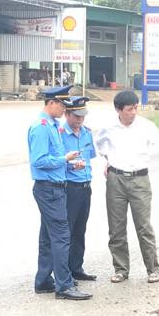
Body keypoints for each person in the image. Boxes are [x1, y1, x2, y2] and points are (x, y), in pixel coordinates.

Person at [96, 89, 159, 284]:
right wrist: (107, 160)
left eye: (135, 108)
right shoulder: (109, 127)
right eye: (130, 109)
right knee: (116, 228)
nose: (133, 112)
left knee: (143, 226)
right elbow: (98, 145)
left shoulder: (146, 126)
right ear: (118, 109)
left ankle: (153, 269)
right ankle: (121, 269)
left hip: (140, 180)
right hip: (116, 180)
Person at [29, 83, 91, 300]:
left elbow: (53, 161)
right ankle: (64, 285)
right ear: (51, 103)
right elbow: (39, 161)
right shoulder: (41, 127)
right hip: (49, 189)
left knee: (48, 236)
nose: (65, 110)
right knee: (62, 236)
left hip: (55, 186)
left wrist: (69, 165)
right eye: (62, 105)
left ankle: (44, 279)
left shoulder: (52, 125)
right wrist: (63, 159)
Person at [60, 96, 98, 283]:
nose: (80, 120)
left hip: (85, 187)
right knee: (66, 230)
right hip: (69, 188)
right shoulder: (59, 134)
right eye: (76, 116)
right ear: (67, 114)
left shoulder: (87, 133)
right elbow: (56, 162)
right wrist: (70, 167)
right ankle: (64, 272)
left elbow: (90, 157)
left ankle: (76, 267)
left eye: (82, 116)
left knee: (80, 230)